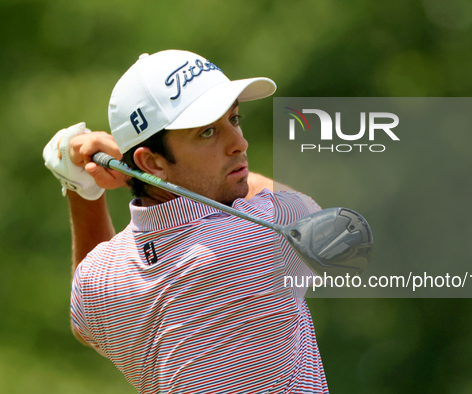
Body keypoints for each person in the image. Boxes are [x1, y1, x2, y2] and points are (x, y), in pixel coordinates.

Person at [43, 50, 329, 393]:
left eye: (234, 119)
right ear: (152, 162)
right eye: (208, 133)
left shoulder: (99, 281)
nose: (239, 143)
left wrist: (80, 186)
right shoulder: (261, 235)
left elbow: (84, 324)